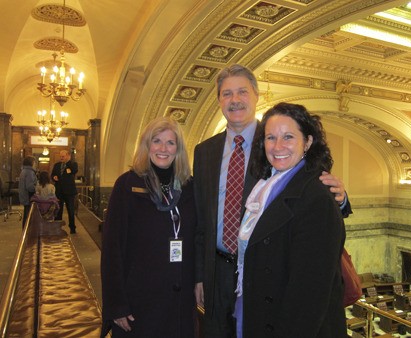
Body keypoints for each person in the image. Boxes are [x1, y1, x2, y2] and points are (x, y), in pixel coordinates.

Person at [193, 64, 351, 337]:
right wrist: (199, 275)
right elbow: (200, 220)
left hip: (267, 275)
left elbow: (312, 197)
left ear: (256, 95)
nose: (235, 99)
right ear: (218, 100)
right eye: (226, 93)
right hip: (217, 272)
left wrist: (340, 199)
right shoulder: (204, 151)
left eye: (242, 91)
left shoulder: (276, 144)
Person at [235, 102, 346, 337]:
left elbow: (308, 295)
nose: (277, 146)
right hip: (262, 313)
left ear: (307, 142)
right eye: (270, 137)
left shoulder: (316, 198)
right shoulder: (265, 186)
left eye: (288, 137)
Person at [101, 117, 197, 338]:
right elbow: (112, 249)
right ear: (147, 145)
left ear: (178, 149)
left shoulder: (189, 187)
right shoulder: (127, 185)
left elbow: (198, 239)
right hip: (138, 300)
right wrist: (116, 305)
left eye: (170, 143)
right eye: (157, 141)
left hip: (179, 300)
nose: (163, 148)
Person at [51, 149, 78, 234]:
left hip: (69, 192)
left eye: (63, 156)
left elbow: (74, 170)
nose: (61, 158)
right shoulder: (57, 165)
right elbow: (52, 174)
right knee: (58, 210)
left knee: (70, 210)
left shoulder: (73, 164)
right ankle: (57, 227)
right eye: (60, 156)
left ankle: (72, 228)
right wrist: (54, 177)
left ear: (67, 155)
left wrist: (68, 162)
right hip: (59, 191)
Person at [18, 155, 37, 228]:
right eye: (34, 163)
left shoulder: (24, 170)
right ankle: (26, 233)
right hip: (28, 197)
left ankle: (25, 231)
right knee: (28, 216)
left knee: (26, 215)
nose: (35, 164)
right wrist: (37, 188)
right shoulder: (29, 172)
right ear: (32, 163)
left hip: (24, 195)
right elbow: (30, 187)